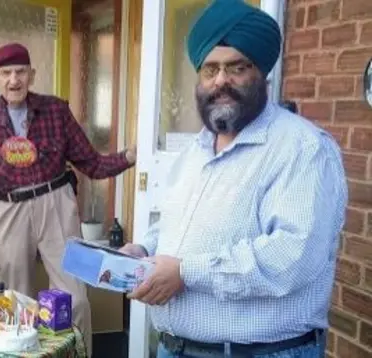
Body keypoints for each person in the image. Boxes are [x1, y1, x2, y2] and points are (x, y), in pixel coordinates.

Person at [120, 1, 347, 357]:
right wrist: (143, 250)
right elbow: (174, 227)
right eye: (210, 70)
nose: (221, 81)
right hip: (174, 348)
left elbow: (293, 256)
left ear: (261, 72)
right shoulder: (194, 151)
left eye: (236, 67)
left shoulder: (302, 148)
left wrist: (187, 273)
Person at [0, 42, 136, 356]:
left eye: (20, 72)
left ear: (32, 74)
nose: (14, 80)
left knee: (75, 299)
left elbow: (91, 163)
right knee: (15, 301)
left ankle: (77, 354)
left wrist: (128, 157)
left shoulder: (55, 110)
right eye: (6, 73)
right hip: (7, 209)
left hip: (55, 201)